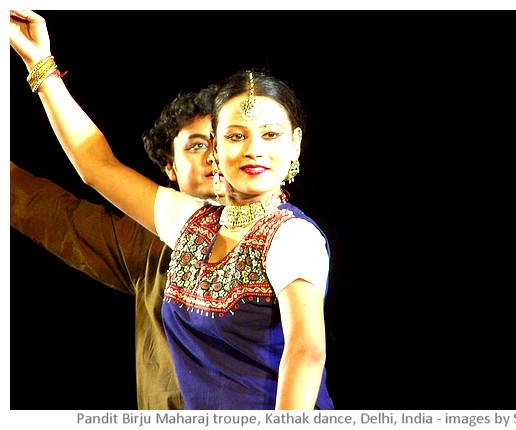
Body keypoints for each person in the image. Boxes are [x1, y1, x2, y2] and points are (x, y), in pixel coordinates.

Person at [10, 9, 333, 410]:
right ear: (215, 147)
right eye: (236, 136)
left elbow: (307, 352)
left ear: (295, 145)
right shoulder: (191, 224)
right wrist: (39, 63)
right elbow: (97, 166)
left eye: (271, 135)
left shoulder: (292, 237)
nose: (254, 150)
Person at [11, 77, 226, 409]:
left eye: (225, 140)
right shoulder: (148, 240)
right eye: (196, 145)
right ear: (170, 167)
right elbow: (56, 209)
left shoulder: (282, 228)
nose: (213, 156)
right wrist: (41, 67)